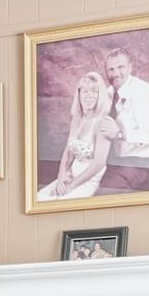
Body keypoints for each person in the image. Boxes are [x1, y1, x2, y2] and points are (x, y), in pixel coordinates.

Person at [37, 72, 113, 202]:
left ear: (100, 95)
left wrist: (71, 186)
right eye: (85, 91)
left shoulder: (103, 122)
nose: (90, 96)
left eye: (95, 91)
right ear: (79, 94)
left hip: (88, 181)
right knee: (39, 198)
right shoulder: (77, 119)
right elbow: (68, 152)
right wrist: (61, 177)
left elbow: (98, 165)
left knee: (58, 205)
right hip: (71, 175)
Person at [98, 47, 149, 191]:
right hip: (115, 161)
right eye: (111, 69)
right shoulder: (108, 93)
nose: (115, 73)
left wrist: (120, 133)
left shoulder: (143, 93)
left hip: (142, 164)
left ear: (130, 67)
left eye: (120, 67)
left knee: (106, 192)